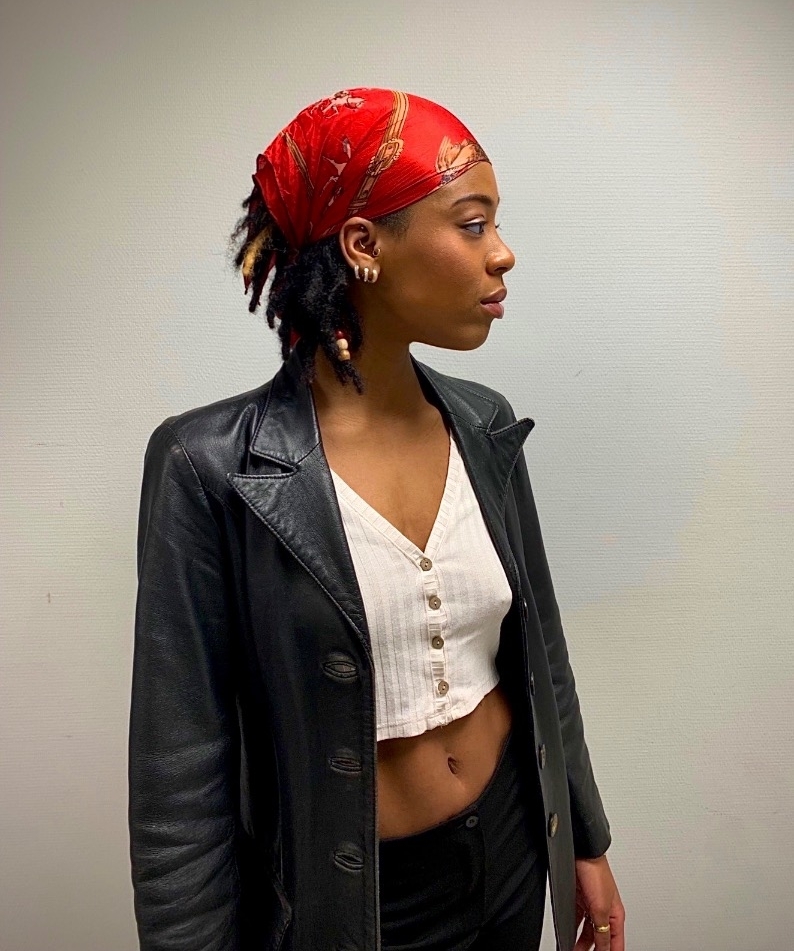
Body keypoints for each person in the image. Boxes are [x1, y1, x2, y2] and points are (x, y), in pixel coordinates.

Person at [128, 87, 626, 951]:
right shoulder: (209, 466)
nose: (502, 253)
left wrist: (582, 836)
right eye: (473, 224)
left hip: (512, 856)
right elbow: (180, 773)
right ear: (364, 246)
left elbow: (540, 651)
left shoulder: (483, 423)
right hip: (357, 907)